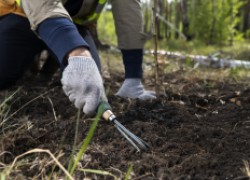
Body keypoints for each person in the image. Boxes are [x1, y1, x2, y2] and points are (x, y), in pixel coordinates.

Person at [0, 0, 156, 116]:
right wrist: (78, 53)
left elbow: (128, 12)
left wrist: (133, 77)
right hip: (21, 15)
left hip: (74, 25)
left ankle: (48, 68)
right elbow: (41, 4)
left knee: (89, 85)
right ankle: (30, 62)